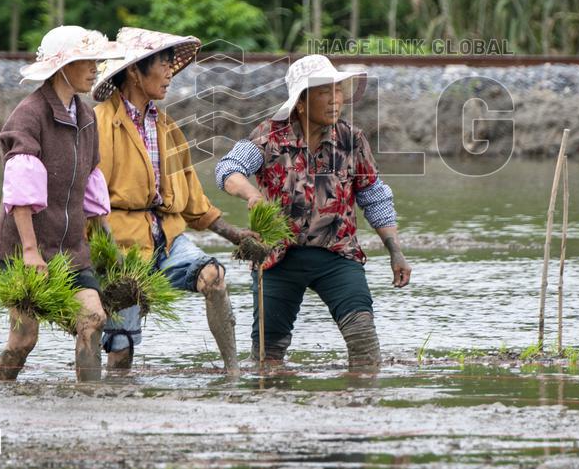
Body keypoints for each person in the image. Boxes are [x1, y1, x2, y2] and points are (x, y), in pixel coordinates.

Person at [215, 54, 412, 371]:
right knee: (267, 359)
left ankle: (362, 398)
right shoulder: (268, 137)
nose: (335, 100)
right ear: (301, 103)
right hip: (278, 259)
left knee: (364, 345)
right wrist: (252, 194)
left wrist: (395, 250)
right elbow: (228, 169)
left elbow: (374, 195)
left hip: (337, 257)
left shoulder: (351, 140)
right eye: (324, 93)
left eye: (338, 91)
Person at [92, 28, 259, 375]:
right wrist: (109, 258)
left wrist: (235, 235)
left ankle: (232, 373)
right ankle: (114, 392)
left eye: (171, 64)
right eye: (163, 64)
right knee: (121, 346)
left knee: (213, 276)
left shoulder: (167, 128)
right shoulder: (99, 125)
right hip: (121, 243)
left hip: (166, 238)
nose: (170, 72)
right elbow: (87, 202)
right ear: (135, 70)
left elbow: (194, 201)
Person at [0, 25, 123, 381]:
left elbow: (90, 185)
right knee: (23, 339)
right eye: (86, 61)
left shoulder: (87, 116)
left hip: (70, 251)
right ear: (62, 67)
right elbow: (21, 191)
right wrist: (30, 252)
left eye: (96, 61)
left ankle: (88, 397)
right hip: (23, 250)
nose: (95, 68)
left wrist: (108, 244)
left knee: (93, 319)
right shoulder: (29, 115)